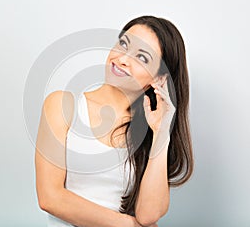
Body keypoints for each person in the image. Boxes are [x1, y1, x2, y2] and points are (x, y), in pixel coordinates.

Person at [35, 15, 194, 227]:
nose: (123, 59)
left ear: (159, 79)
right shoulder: (62, 105)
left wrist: (161, 132)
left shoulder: (149, 132)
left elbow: (149, 215)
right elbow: (50, 197)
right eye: (124, 44)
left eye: (142, 57)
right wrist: (127, 225)